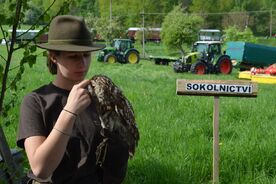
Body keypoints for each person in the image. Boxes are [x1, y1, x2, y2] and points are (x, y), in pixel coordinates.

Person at [17, 15, 129, 184]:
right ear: (54, 57)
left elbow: (115, 163)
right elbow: (40, 169)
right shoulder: (36, 101)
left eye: (86, 55)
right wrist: (69, 111)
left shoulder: (100, 98)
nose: (83, 63)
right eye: (73, 56)